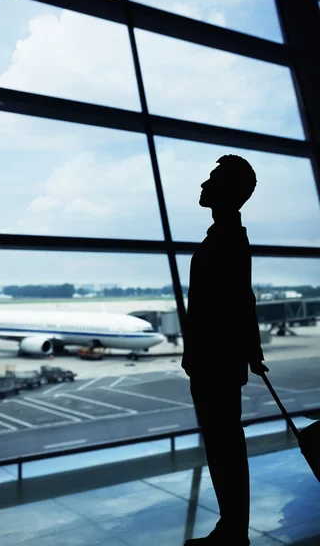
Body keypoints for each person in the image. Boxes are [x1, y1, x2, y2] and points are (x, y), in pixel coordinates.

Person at [181, 154, 269, 545]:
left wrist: (249, 349)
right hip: (215, 358)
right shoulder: (223, 235)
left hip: (214, 360)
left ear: (230, 191)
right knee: (224, 444)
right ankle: (232, 525)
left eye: (212, 179)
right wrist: (251, 349)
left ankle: (233, 529)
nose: (203, 185)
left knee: (224, 447)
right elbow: (241, 300)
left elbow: (238, 299)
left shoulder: (228, 238)